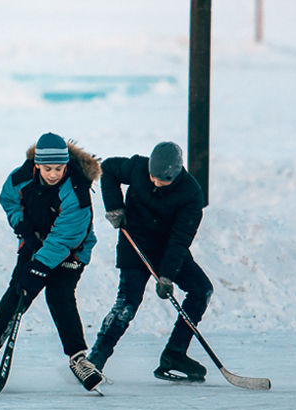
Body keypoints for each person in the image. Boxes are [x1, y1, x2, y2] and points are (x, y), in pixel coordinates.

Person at [0, 133, 104, 391]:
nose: (53, 174)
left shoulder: (77, 190)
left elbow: (64, 238)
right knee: (17, 293)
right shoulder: (21, 177)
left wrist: (38, 269)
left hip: (71, 251)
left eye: (59, 168)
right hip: (35, 243)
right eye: (47, 168)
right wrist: (22, 225)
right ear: (37, 164)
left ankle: (78, 358)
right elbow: (8, 200)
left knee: (59, 295)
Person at [87, 141, 213, 382]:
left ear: (176, 174)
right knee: (127, 302)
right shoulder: (138, 168)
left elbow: (180, 240)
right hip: (134, 244)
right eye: (152, 177)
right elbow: (109, 170)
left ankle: (175, 353)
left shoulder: (191, 194)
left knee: (202, 290)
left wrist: (166, 275)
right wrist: (115, 207)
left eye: (163, 179)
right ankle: (96, 360)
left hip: (168, 249)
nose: (155, 182)